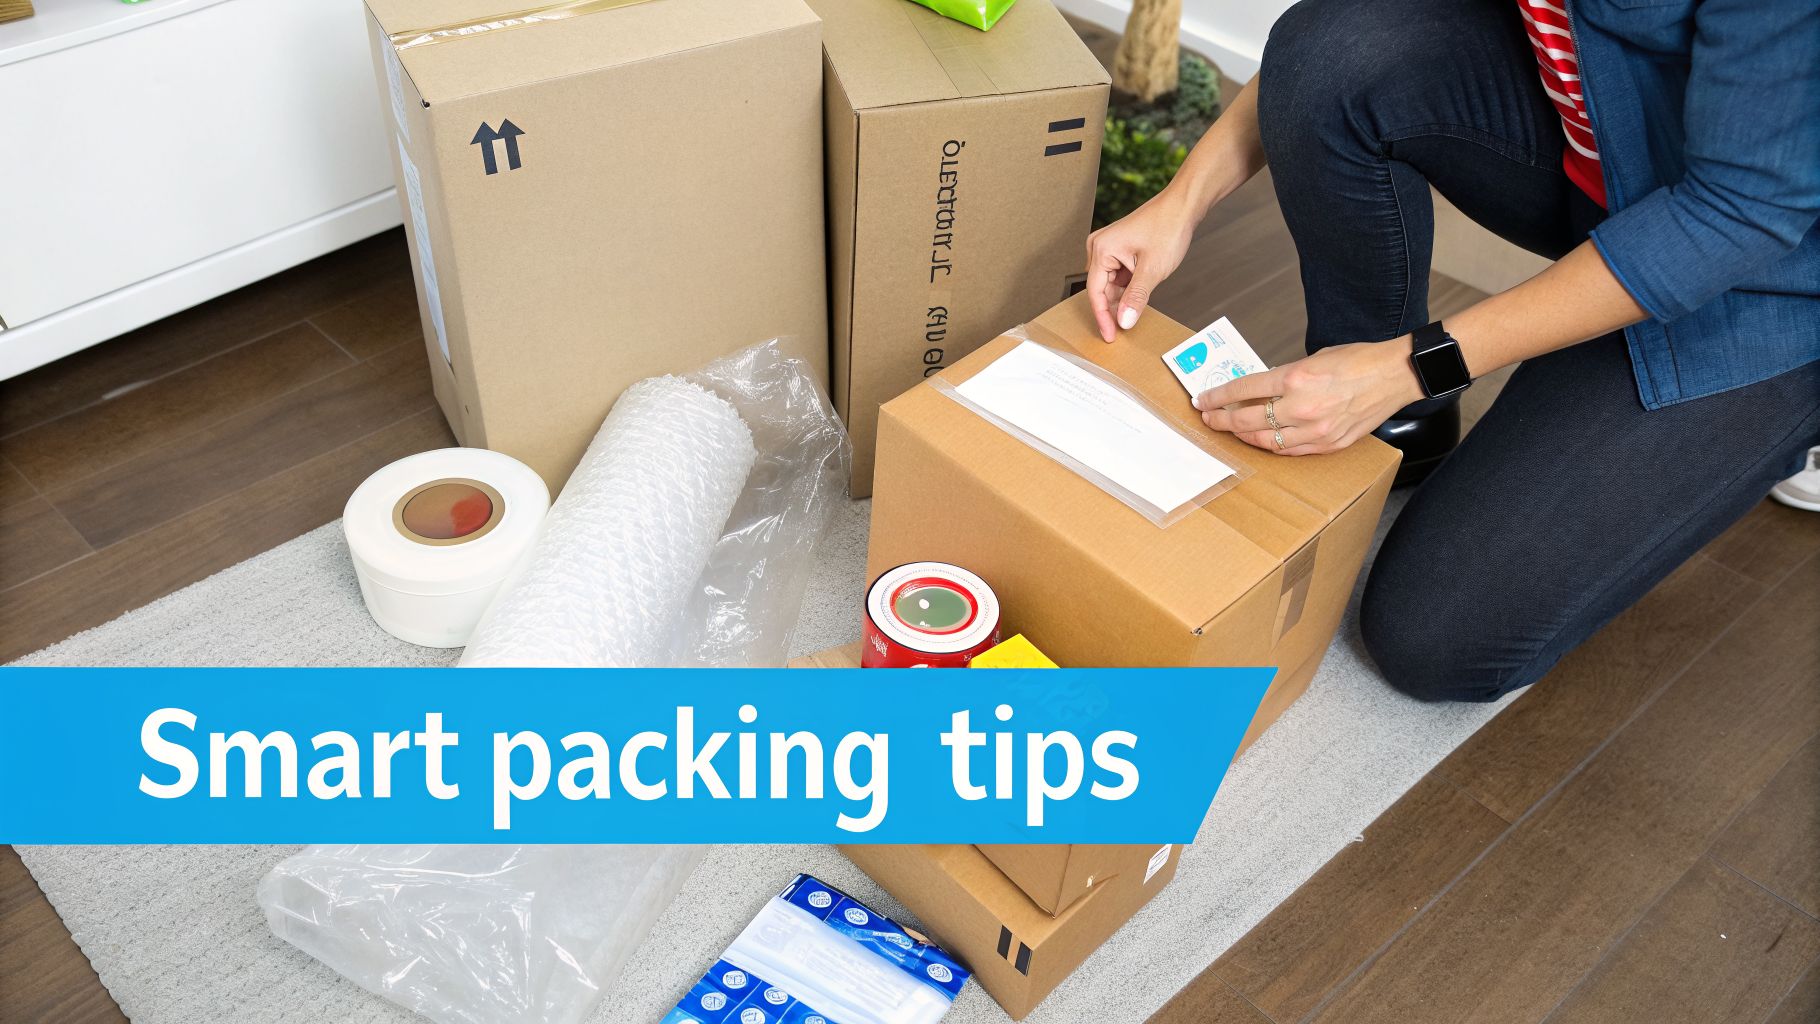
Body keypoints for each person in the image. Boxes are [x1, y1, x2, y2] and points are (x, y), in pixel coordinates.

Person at [1086, 0, 1819, 702]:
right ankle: (1403, 429)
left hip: (1762, 278)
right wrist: (1179, 203)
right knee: (1331, 56)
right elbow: (1320, 47)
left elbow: (1736, 212)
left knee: (1434, 637)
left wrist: (1408, 364)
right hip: (1611, 152)